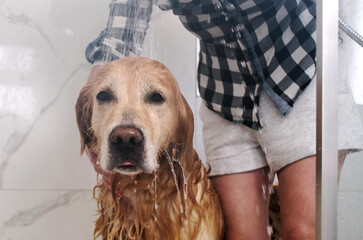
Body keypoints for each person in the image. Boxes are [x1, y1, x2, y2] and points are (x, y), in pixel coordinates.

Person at [83, 1, 363, 239]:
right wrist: (96, 111)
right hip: (225, 91)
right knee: (243, 236)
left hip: (302, 72)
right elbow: (127, 17)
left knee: (305, 232)